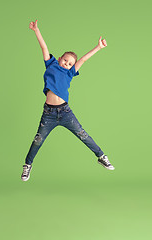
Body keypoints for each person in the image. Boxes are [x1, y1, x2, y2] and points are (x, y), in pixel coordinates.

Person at [21, 20, 114, 182]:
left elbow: (83, 60)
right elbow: (44, 47)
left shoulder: (70, 73)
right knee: (38, 140)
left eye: (70, 63)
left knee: (82, 135)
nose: (67, 64)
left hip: (65, 112)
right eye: (65, 60)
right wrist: (36, 30)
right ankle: (27, 166)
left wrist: (98, 47)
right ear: (59, 58)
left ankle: (101, 156)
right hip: (48, 113)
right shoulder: (51, 65)